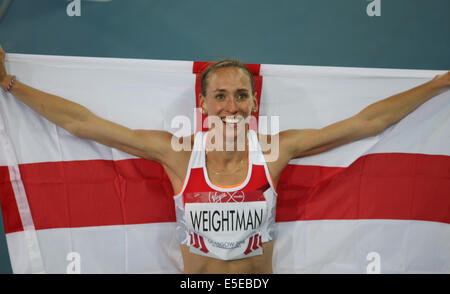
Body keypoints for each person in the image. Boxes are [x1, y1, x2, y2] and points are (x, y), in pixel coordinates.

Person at [0, 44, 449, 274]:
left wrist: (438, 84)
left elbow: (367, 123)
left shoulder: (275, 153)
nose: (230, 107)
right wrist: (10, 85)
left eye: (240, 95)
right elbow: (83, 124)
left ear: (254, 103)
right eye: (220, 96)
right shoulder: (178, 155)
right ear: (204, 103)